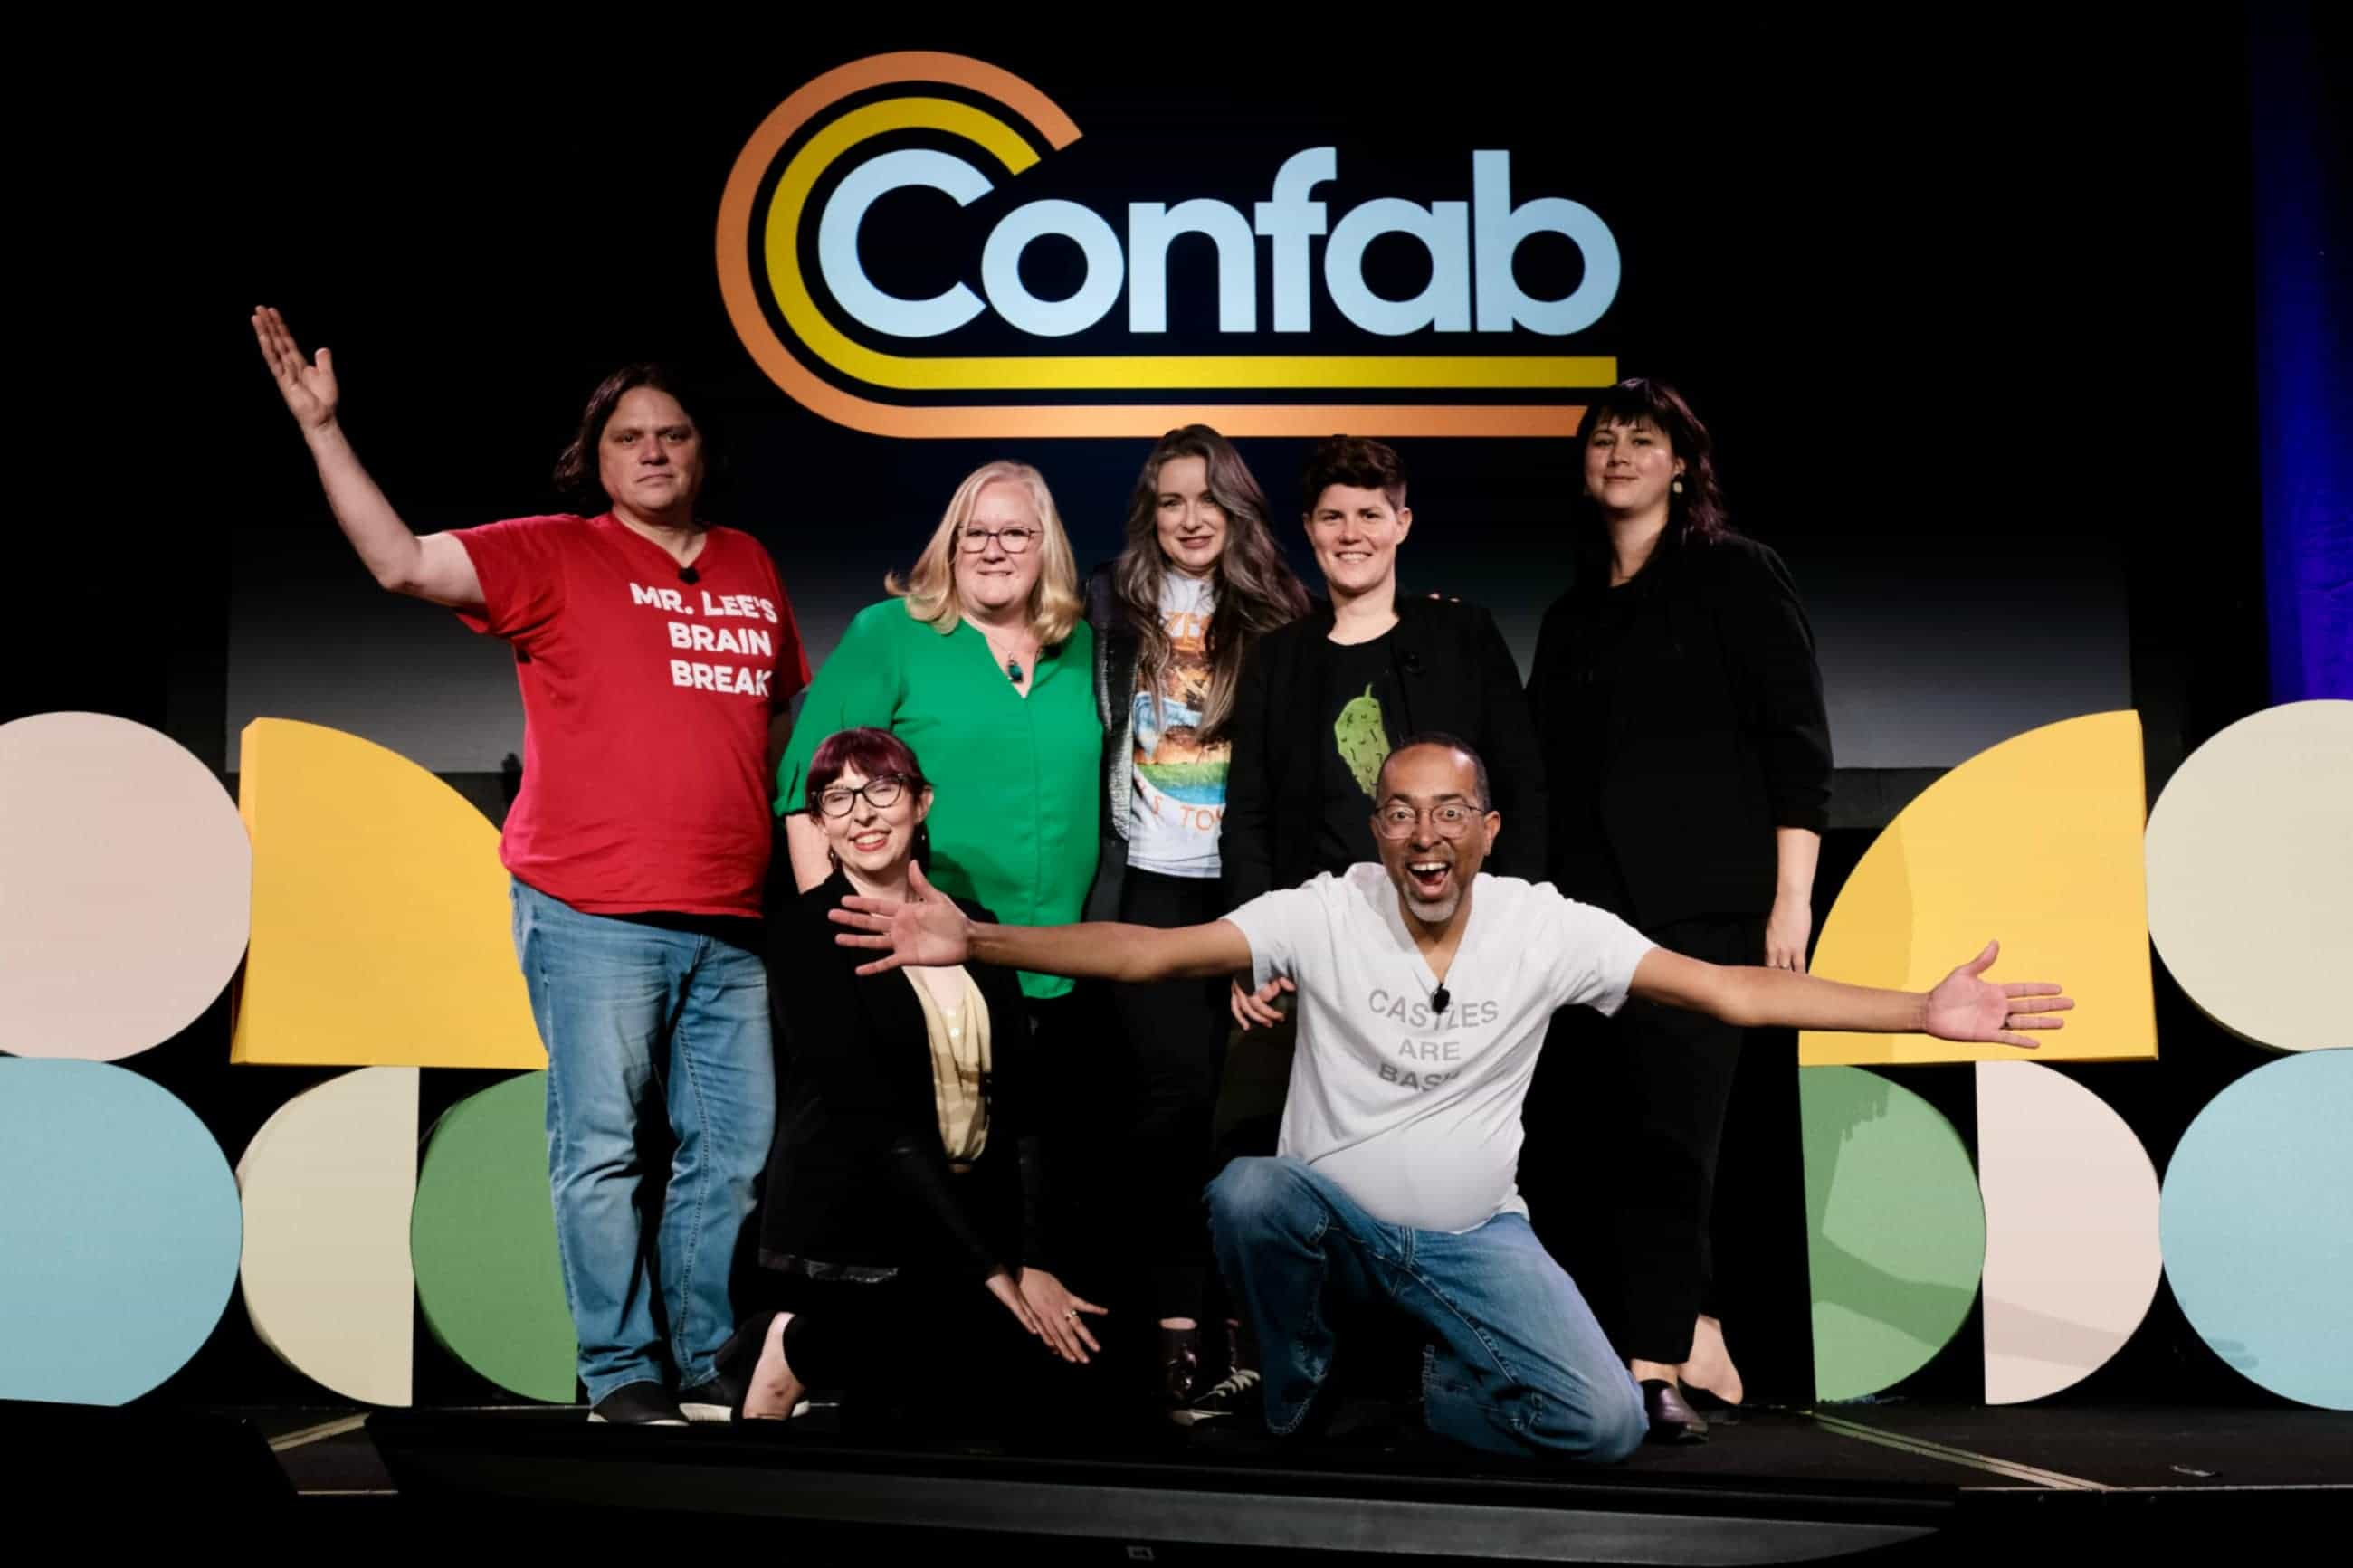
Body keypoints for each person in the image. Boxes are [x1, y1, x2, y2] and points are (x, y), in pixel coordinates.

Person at [829, 736, 2069, 1462]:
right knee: (1249, 1188)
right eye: (1402, 814)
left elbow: (1730, 993)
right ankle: (1303, 1382)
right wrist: (975, 943)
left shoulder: (1546, 926)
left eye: (1450, 816)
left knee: (1601, 1427)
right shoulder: (1324, 908)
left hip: (1477, 1237)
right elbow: (1153, 952)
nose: (1426, 837)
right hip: (1330, 1219)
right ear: (1379, 828)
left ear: (1486, 830)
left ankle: (1424, 1386)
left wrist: (1923, 1011)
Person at [251, 309, 808, 1426]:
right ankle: (620, 1375)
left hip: (731, 918)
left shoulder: (749, 562)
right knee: (601, 1152)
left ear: (702, 452)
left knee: (734, 1157)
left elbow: (778, 713)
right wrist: (321, 430)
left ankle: (705, 1359)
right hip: (592, 912)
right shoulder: (552, 552)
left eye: (674, 434)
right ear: (595, 460)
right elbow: (400, 563)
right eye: (628, 437)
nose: (653, 450)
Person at [1522, 378, 1832, 1440]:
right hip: (1587, 923)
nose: (1615, 451)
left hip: (1707, 917)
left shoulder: (1736, 576)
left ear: (1680, 464)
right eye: (1600, 437)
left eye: (1638, 437)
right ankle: (1683, 1330)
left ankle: (1650, 1365)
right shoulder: (1570, 615)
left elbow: (1795, 742)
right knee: (1598, 1138)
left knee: (1672, 1136)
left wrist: (1790, 899)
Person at [772, 461, 1105, 1320]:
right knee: (923, 1182)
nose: (995, 550)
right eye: (976, 533)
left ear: (1047, 546)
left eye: (1016, 532)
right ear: (949, 546)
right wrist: (838, 935)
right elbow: (803, 790)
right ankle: (813, 1351)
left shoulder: (1082, 647)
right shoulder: (893, 632)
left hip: (1053, 962)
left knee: (1031, 1181)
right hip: (927, 961)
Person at [716, 728, 1104, 1430]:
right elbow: (873, 1122)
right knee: (961, 1335)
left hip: (956, 1216)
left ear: (920, 803)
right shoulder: (805, 931)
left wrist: (1032, 1260)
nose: (862, 813)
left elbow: (1021, 1109)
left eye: (882, 790)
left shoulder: (973, 927)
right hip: (854, 1219)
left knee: (1064, 1355)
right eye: (838, 797)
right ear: (821, 824)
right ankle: (789, 1345)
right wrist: (992, 1269)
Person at [1084, 425, 1309, 1407]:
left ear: (1235, 512)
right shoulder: (1106, 604)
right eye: (1171, 500)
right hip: (1144, 885)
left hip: (1242, 887)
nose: (1188, 519)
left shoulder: (1277, 616)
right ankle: (1176, 1330)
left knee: (1246, 1121)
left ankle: (1242, 1325)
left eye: (1206, 500)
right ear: (1151, 512)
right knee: (1164, 1113)